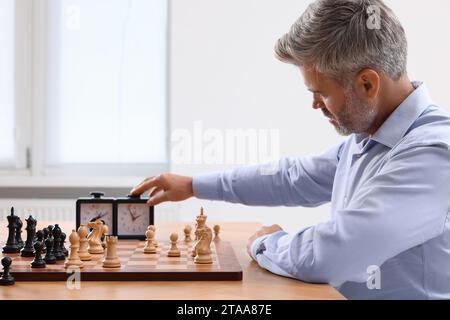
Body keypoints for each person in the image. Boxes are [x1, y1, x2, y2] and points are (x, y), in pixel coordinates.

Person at [131, 0, 450, 299]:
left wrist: (266, 244)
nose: (314, 104)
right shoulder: (371, 137)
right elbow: (292, 177)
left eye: (321, 93)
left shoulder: (432, 154)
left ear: (367, 84)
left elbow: (332, 254)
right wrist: (192, 185)